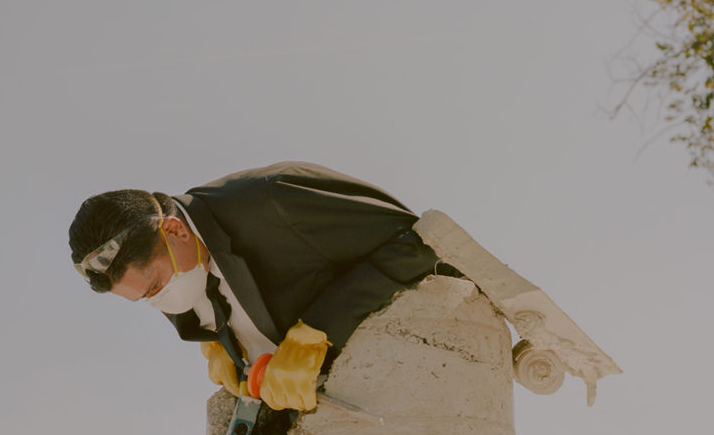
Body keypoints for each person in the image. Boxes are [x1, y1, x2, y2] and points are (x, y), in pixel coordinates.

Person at [70, 161, 457, 412]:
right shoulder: (174, 275)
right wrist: (229, 347)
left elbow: (422, 243)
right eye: (142, 300)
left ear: (175, 230)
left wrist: (319, 328)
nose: (162, 305)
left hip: (431, 386)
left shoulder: (273, 201)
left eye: (154, 286)